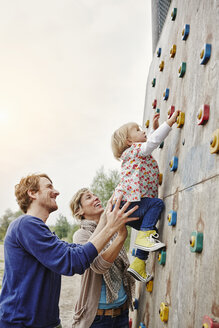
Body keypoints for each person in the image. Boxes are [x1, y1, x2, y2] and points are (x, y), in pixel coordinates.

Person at [0, 173, 138, 328]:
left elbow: (80, 251)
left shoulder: (43, 232)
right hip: (22, 324)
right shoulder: (25, 224)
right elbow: (72, 261)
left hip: (48, 323)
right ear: (32, 193)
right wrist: (111, 228)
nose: (57, 192)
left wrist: (106, 219)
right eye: (49, 186)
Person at [111, 111, 180, 283]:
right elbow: (153, 142)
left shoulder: (134, 153)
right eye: (137, 130)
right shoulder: (135, 150)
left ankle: (138, 264)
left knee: (149, 231)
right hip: (127, 204)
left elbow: (151, 141)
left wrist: (156, 128)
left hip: (123, 208)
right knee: (156, 205)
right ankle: (144, 240)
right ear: (129, 141)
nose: (143, 131)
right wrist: (169, 122)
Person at [70, 188, 136, 328]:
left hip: (122, 312)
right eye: (88, 197)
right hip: (98, 318)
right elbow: (98, 266)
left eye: (95, 194)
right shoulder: (80, 235)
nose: (96, 197)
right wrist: (121, 236)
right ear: (79, 211)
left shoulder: (111, 228)